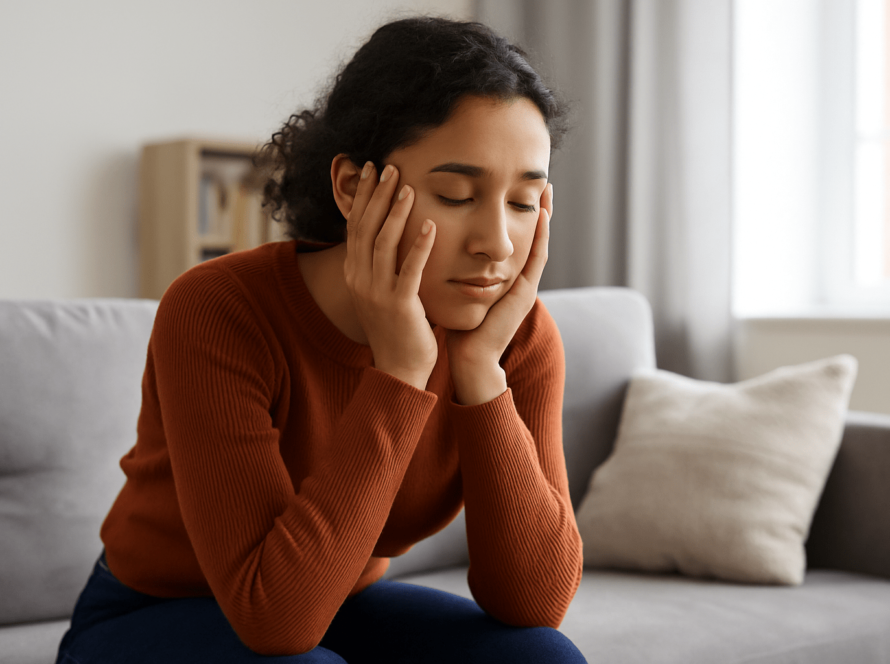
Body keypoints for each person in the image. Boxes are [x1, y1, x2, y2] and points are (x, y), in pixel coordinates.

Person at [55, 16, 587, 664]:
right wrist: (400, 371)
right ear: (352, 187)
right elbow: (274, 619)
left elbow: (534, 606)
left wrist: (481, 376)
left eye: (524, 203)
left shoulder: (516, 338)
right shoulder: (219, 311)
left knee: (542, 658)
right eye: (455, 195)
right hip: (153, 611)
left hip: (333, 603)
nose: (497, 244)